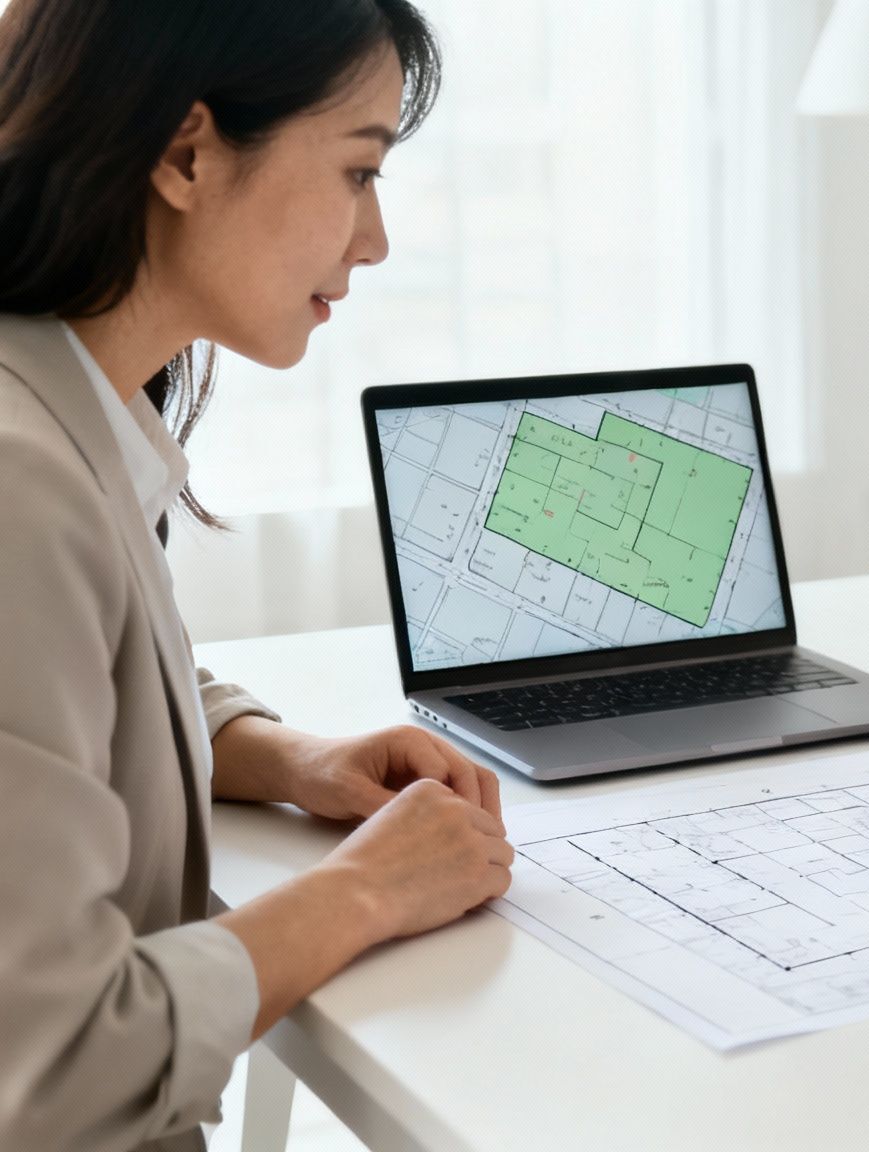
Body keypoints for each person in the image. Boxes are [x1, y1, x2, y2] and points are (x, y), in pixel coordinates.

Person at [0, 3, 515, 1149]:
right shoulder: (18, 485)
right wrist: (364, 891)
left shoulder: (72, 411)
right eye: (357, 170)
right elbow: (53, 1066)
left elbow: (97, 688)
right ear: (186, 155)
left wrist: (293, 758)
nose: (372, 238)